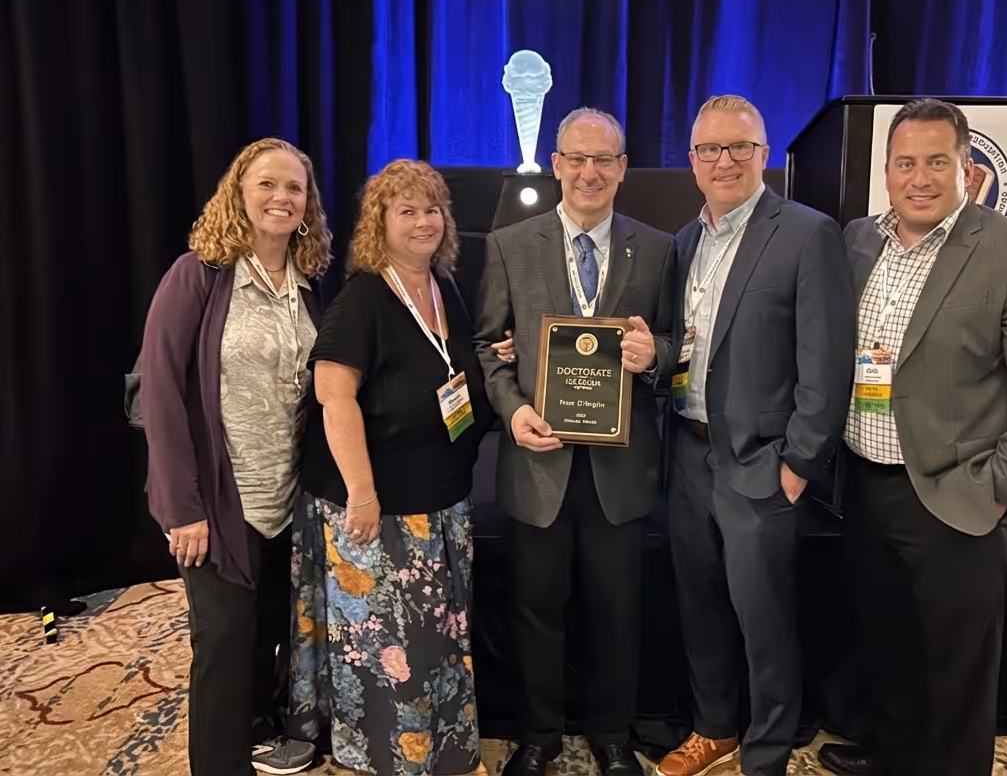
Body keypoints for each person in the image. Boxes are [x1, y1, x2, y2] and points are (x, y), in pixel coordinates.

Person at [818, 99, 1007, 776]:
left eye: (937, 162)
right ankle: (892, 752)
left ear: (967, 170)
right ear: (886, 171)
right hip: (865, 482)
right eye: (905, 162)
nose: (920, 177)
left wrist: (1001, 485)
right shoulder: (858, 240)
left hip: (956, 493)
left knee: (955, 666)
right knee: (888, 640)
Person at [657, 95, 856, 776]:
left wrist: (799, 462)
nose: (725, 161)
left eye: (739, 147)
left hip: (762, 463)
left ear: (765, 155)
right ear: (691, 161)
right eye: (710, 149)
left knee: (764, 619)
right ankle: (714, 729)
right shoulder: (682, 243)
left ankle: (767, 750)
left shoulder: (806, 233)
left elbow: (827, 363)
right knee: (700, 606)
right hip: (686, 453)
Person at [474, 107, 676, 776]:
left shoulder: (657, 248)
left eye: (605, 159)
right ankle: (539, 734)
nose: (590, 171)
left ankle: (612, 733)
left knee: (618, 609)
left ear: (623, 168)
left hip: (621, 467)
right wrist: (512, 410)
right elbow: (486, 347)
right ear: (556, 164)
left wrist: (658, 355)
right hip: (538, 464)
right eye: (577, 158)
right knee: (536, 609)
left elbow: (677, 342)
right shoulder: (509, 244)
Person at [289, 160, 496, 776]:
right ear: (379, 223)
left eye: (432, 209)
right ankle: (389, 756)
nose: (423, 221)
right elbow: (334, 396)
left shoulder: (443, 286)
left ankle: (442, 747)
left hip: (440, 500)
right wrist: (361, 494)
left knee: (434, 643)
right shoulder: (364, 298)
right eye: (406, 210)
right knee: (387, 648)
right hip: (376, 510)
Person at [140, 137, 332, 776]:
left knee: (267, 631)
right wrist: (182, 509)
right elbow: (160, 395)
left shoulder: (306, 285)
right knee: (221, 640)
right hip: (220, 501)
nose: (282, 197)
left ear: (308, 204)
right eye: (267, 185)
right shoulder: (197, 275)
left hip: (287, 496)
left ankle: (257, 734)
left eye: (294, 188)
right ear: (239, 194)